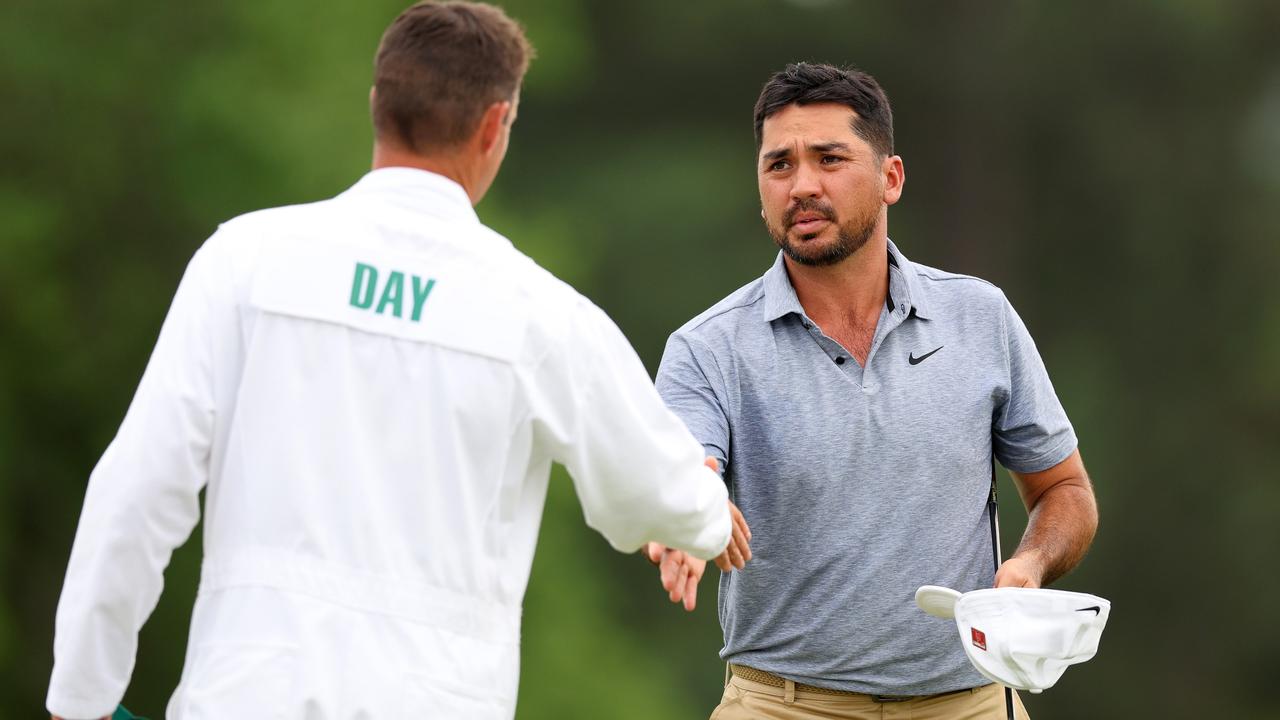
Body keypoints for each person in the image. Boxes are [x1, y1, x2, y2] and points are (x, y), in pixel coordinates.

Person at [45, 3, 751, 719]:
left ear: (378, 103)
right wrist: (708, 522)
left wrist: (81, 697)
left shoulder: (243, 261)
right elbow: (651, 489)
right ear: (493, 125)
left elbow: (134, 490)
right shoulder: (539, 311)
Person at [644, 62, 1098, 719]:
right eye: (779, 165)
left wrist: (1028, 567)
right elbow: (687, 461)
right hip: (781, 705)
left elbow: (1066, 492)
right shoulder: (707, 346)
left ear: (891, 178)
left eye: (829, 158)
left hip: (967, 703)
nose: (802, 185)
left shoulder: (981, 317)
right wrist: (690, 508)